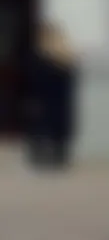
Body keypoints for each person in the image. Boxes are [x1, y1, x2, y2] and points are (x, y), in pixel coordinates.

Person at [25, 21, 76, 170]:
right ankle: (49, 157)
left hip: (53, 99)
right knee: (46, 127)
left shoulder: (56, 57)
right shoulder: (45, 56)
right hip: (50, 99)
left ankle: (51, 158)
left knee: (50, 128)